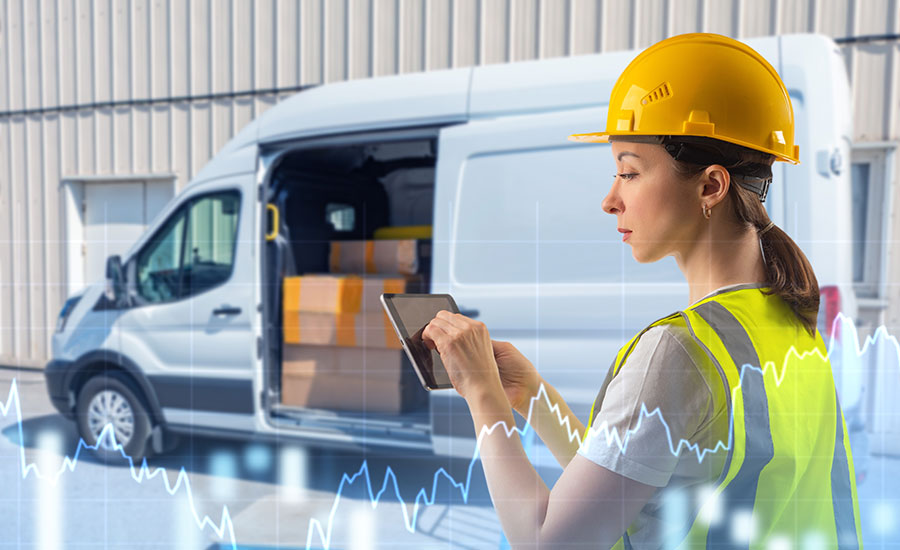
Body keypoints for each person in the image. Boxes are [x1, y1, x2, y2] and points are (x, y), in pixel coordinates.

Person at [421, 33, 863, 549]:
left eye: (629, 172)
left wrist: (483, 397)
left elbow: (549, 542)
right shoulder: (792, 326)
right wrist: (533, 397)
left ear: (710, 187)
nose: (610, 200)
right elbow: (633, 480)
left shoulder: (682, 350)